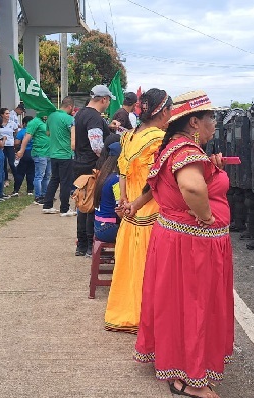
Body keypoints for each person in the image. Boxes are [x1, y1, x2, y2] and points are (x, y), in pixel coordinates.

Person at [134, 90, 232, 398]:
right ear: (194, 122)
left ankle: (177, 366)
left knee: (178, 304)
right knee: (195, 306)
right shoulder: (186, 152)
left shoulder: (175, 148)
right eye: (211, 118)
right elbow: (190, 186)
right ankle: (191, 380)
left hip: (177, 241)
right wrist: (205, 217)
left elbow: (159, 184)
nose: (214, 124)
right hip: (192, 245)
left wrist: (210, 168)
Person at [104, 88, 172, 333]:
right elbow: (157, 182)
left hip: (129, 213)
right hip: (149, 212)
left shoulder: (130, 136)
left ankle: (124, 314)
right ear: (163, 111)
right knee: (149, 270)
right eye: (170, 110)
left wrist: (123, 201)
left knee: (129, 267)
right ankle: (144, 317)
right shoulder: (159, 139)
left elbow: (122, 171)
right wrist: (136, 204)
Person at [73, 84, 120, 255]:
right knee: (92, 205)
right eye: (108, 101)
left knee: (82, 204)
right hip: (92, 166)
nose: (108, 104)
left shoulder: (80, 114)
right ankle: (89, 246)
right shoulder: (94, 117)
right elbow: (97, 146)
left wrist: (109, 129)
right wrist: (110, 156)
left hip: (79, 164)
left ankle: (82, 245)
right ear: (104, 99)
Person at [41, 97, 77, 216]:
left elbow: (48, 133)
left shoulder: (51, 116)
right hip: (65, 155)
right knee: (65, 182)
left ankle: (47, 205)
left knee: (54, 179)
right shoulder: (69, 119)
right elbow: (73, 138)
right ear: (70, 107)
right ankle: (64, 209)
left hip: (53, 154)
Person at [92, 142, 122, 243]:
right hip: (109, 228)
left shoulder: (103, 176)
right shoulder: (116, 180)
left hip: (98, 225)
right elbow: (120, 209)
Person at [16, 115, 50, 205]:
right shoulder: (35, 122)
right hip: (40, 152)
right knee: (39, 176)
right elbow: (26, 137)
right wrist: (21, 150)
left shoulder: (47, 121)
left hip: (49, 153)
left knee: (47, 176)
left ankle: (45, 195)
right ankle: (38, 196)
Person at [11, 115, 35, 196]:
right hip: (33, 153)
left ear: (24, 123)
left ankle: (16, 190)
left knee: (20, 173)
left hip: (23, 153)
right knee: (31, 172)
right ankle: (30, 190)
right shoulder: (35, 131)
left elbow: (16, 143)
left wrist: (17, 151)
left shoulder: (21, 132)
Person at [0, 107, 18, 187]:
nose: (8, 115)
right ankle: (5, 180)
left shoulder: (12, 123)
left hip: (10, 145)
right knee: (3, 163)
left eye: (8, 113)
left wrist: (13, 140)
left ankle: (16, 177)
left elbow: (16, 131)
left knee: (11, 163)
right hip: (1, 145)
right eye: (6, 113)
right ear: (2, 115)